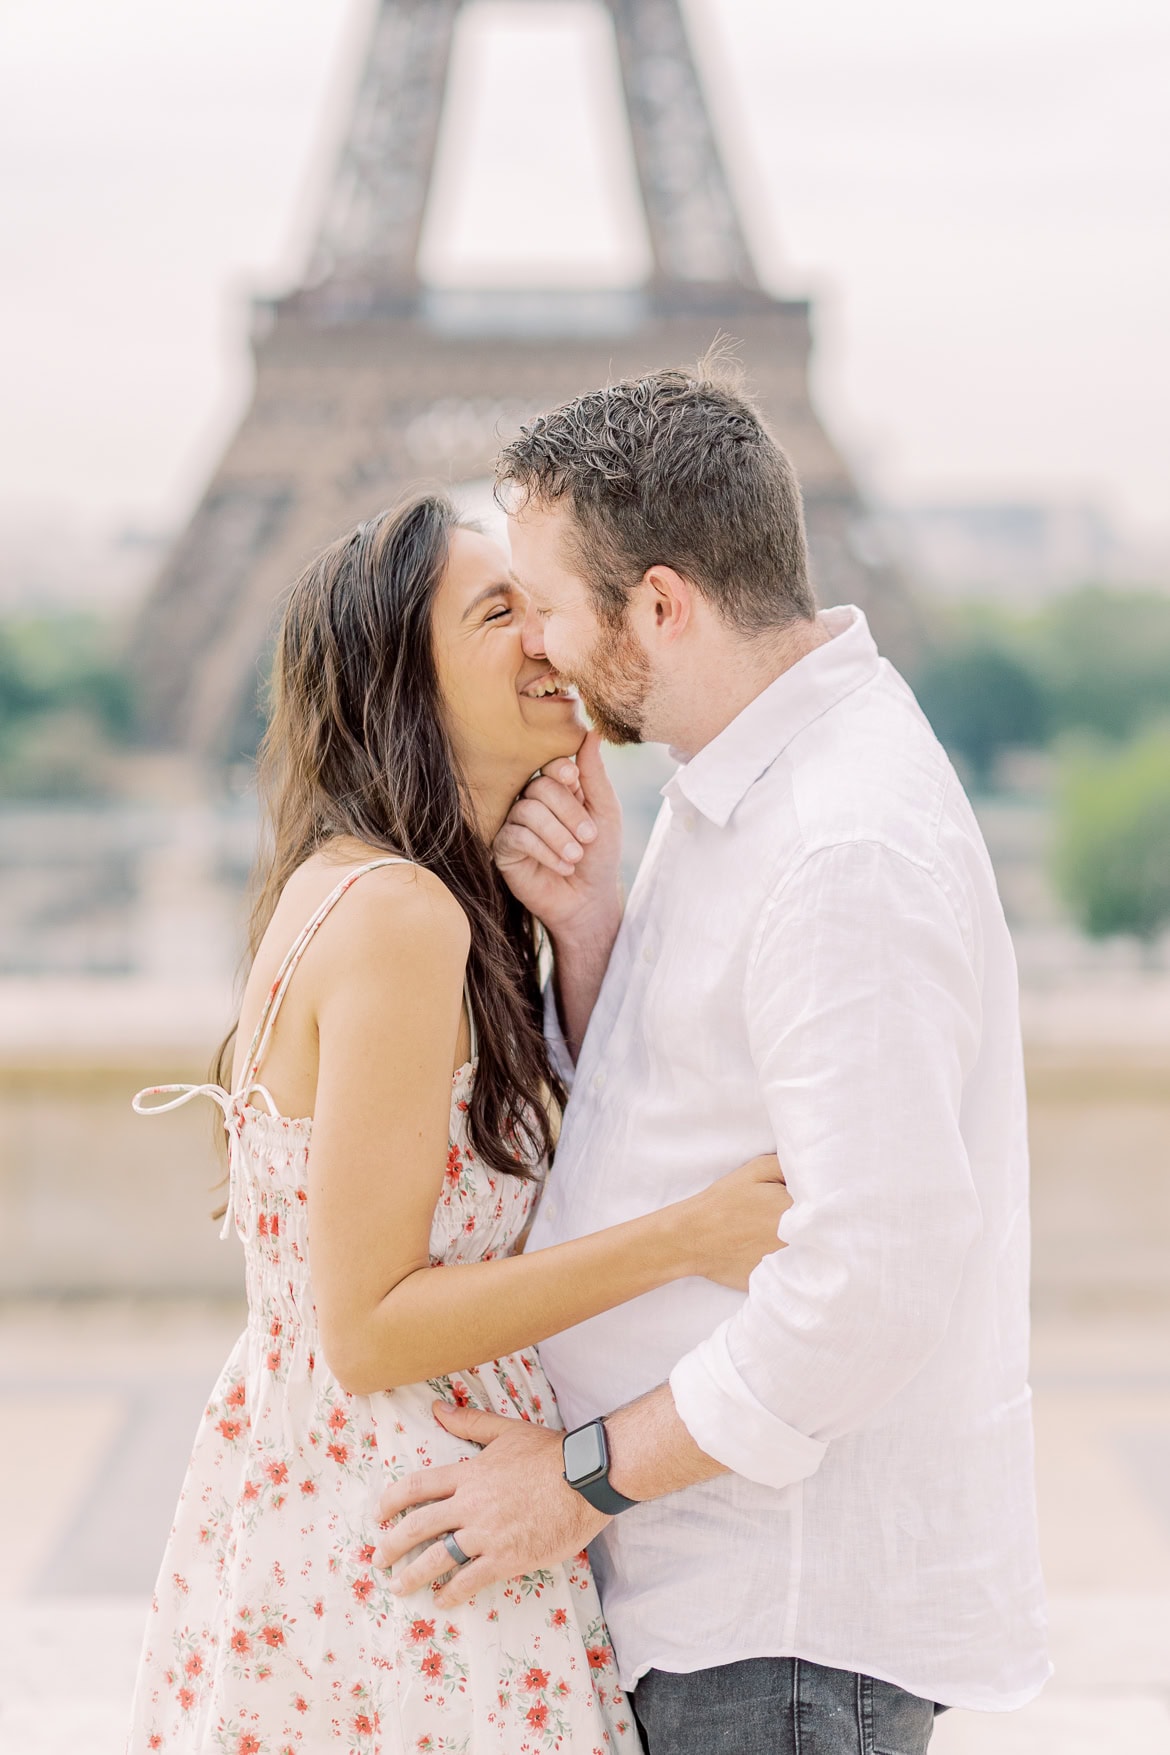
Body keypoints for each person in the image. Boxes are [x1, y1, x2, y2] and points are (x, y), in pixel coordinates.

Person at [374, 365, 1051, 1754]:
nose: (539, 646)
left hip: (777, 1625)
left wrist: (573, 1482)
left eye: (550, 604)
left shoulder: (841, 843)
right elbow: (685, 1104)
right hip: (721, 1607)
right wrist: (589, 934)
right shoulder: (743, 776)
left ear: (662, 605)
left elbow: (871, 1283)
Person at [124, 493, 791, 1753]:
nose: (550, 634)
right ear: (402, 681)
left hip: (358, 1513)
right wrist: (690, 1237)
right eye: (499, 613)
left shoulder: (397, 895)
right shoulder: (400, 916)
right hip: (417, 1536)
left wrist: (582, 918)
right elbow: (370, 1326)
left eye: (541, 603)